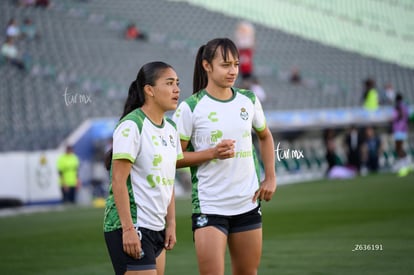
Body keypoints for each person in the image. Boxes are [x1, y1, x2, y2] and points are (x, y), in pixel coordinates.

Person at [173, 38, 276, 275]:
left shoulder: (247, 100)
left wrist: (270, 177)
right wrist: (211, 153)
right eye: (225, 64)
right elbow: (174, 157)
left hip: (247, 203)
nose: (233, 71)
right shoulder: (191, 107)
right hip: (210, 206)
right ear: (207, 65)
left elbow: (265, 136)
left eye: (236, 64)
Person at [103, 61, 182, 275]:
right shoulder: (132, 125)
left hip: (157, 227)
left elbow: (168, 180)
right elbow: (118, 181)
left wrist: (171, 223)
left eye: (177, 83)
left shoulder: (171, 129)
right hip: (131, 226)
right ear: (149, 90)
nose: (177, 89)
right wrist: (128, 229)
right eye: (169, 83)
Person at [392, 93, 410, 172]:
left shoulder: (398, 106)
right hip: (403, 128)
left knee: (398, 147)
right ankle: (405, 161)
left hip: (399, 129)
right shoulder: (405, 106)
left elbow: (399, 115)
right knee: (399, 147)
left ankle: (404, 162)